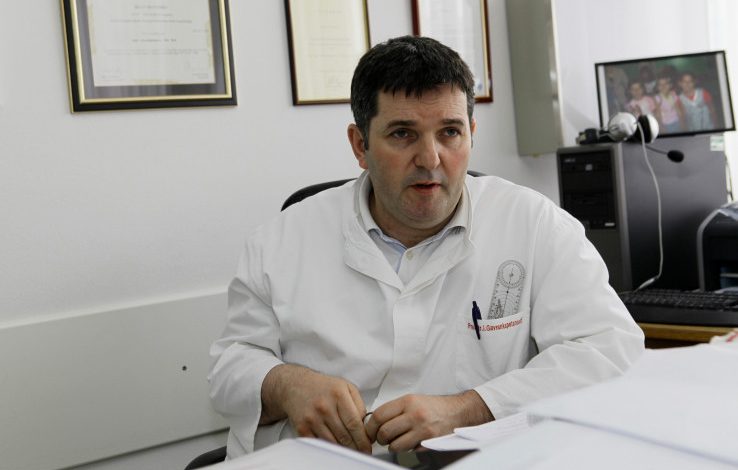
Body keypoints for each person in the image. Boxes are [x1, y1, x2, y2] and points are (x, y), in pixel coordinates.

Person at [208, 35, 645, 458]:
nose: (431, 159)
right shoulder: (281, 240)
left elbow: (611, 349)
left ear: (471, 134)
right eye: (403, 134)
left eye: (450, 132)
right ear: (360, 145)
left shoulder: (534, 225)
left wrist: (470, 408)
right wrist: (285, 385)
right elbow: (229, 366)